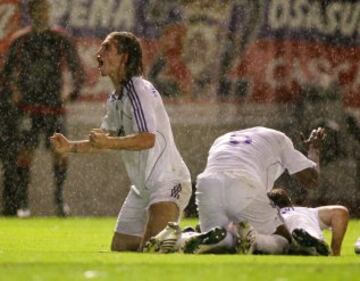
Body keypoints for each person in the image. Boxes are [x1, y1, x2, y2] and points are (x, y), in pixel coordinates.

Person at [50, 31, 192, 252]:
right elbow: (102, 141)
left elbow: (147, 139)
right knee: (121, 246)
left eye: (107, 48)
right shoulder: (116, 98)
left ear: (124, 57)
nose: (99, 53)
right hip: (141, 188)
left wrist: (108, 142)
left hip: (168, 181)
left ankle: (195, 238)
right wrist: (71, 147)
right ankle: (180, 239)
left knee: (151, 249)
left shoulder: (138, 89)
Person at [2, 0, 84, 216]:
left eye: (46, 9)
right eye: (39, 9)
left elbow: (78, 70)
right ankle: (23, 203)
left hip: (54, 108)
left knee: (59, 152)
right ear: (32, 12)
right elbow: (7, 73)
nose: (44, 13)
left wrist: (72, 93)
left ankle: (59, 200)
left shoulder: (59, 38)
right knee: (25, 153)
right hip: (29, 107)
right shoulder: (21, 39)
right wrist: (14, 93)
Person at [192, 126, 324, 254]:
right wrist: (314, 150)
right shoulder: (280, 139)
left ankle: (184, 238)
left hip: (206, 184)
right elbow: (312, 180)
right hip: (242, 183)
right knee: (285, 239)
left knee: (219, 240)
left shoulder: (222, 139)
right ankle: (256, 240)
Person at [267, 188, 349, 256]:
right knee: (300, 224)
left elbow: (339, 213)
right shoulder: (305, 210)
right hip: (297, 230)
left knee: (340, 211)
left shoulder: (303, 210)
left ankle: (326, 250)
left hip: (299, 226)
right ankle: (313, 244)